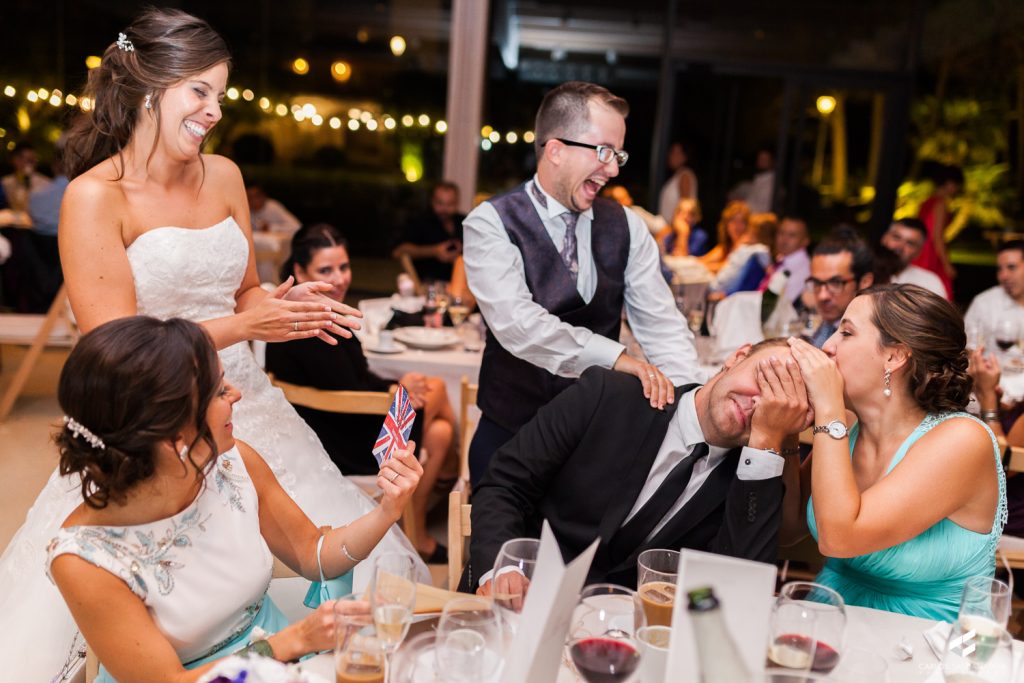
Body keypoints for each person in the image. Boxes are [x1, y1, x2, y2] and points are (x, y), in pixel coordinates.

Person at [2, 10, 426, 680]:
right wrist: (245, 329)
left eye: (220, 95)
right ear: (151, 89)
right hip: (154, 417)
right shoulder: (93, 197)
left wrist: (276, 306)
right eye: (200, 90)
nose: (214, 111)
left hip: (238, 404)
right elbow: (115, 346)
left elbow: (245, 291)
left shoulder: (222, 175)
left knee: (340, 554)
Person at [47, 316, 423, 682]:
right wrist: (294, 641)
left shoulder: (234, 461)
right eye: (219, 391)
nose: (236, 395)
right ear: (173, 437)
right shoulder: (84, 558)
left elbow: (313, 553)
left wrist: (388, 509)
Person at [462, 81, 700, 487]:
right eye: (604, 151)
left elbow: (663, 327)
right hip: (509, 439)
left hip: (594, 444)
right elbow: (518, 324)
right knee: (499, 551)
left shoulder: (628, 227)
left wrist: (693, 411)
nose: (614, 169)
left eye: (619, 154)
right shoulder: (490, 223)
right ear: (555, 150)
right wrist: (617, 358)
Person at [465, 339, 808, 592]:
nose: (756, 404)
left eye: (780, 405)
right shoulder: (609, 395)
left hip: (630, 643)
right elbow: (504, 485)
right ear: (737, 356)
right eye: (764, 380)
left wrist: (766, 440)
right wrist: (500, 570)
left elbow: (736, 593)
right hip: (522, 596)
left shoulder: (753, 482)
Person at [785, 284, 1006, 621]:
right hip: (833, 616)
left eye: (845, 333)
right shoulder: (847, 427)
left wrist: (828, 409)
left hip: (931, 640)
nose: (827, 347)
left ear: (895, 356)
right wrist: (784, 430)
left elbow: (839, 538)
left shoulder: (961, 440)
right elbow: (788, 531)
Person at [265, 223, 457, 562]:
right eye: (325, 270)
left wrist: (394, 387)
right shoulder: (308, 326)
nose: (339, 278)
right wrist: (395, 389)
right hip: (343, 436)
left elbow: (355, 378)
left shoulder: (319, 312)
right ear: (299, 271)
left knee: (439, 433)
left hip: (347, 418)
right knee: (437, 390)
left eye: (343, 267)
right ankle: (448, 479)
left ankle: (417, 528)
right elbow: (348, 391)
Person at [804, 227, 874, 348]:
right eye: (816, 282)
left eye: (835, 283)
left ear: (864, 282)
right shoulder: (826, 321)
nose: (822, 296)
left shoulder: (867, 342)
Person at [392, 180, 465, 283]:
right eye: (440, 203)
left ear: (457, 203)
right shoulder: (420, 222)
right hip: (426, 284)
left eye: (450, 204)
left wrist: (460, 256)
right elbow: (398, 252)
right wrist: (434, 251)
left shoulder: (464, 223)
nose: (444, 209)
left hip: (459, 285)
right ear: (432, 201)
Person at [27, 136, 69, 306]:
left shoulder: (36, 195)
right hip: (66, 258)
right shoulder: (81, 193)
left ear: (54, 166)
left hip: (40, 259)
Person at [964, 240, 1024, 350]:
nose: (1003, 276)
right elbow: (967, 348)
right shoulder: (984, 303)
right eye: (1000, 269)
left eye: (1011, 267)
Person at [915, 164, 962, 299]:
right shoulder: (940, 204)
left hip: (920, 251)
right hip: (931, 254)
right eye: (956, 185)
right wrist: (947, 265)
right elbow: (937, 236)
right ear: (949, 183)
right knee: (937, 293)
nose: (956, 190)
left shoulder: (926, 201)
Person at [879, 218, 946, 298]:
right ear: (884, 238)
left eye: (910, 243)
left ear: (919, 253)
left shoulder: (930, 283)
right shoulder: (864, 269)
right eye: (896, 238)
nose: (900, 247)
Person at [712, 212, 776, 294]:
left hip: (732, 297)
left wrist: (726, 295)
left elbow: (743, 286)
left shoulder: (757, 255)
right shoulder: (754, 253)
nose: (746, 233)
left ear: (757, 234)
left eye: (749, 230)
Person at [760, 216, 810, 304]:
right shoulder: (783, 259)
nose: (784, 239)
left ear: (805, 241)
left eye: (792, 235)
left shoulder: (802, 269)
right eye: (781, 233)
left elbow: (781, 304)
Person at [698, 200, 750, 275]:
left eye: (742, 221)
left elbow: (727, 268)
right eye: (733, 220)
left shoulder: (746, 247)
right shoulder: (726, 246)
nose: (737, 226)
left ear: (748, 225)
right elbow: (703, 260)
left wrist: (701, 266)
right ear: (726, 224)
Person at [2, 141, 51, 213]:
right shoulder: (5, 182)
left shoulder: (46, 183)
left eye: (32, 160)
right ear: (14, 160)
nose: (29, 164)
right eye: (26, 160)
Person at [657, 141, 698, 222]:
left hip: (673, 227)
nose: (671, 156)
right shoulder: (676, 175)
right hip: (665, 225)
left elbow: (685, 205)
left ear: (685, 156)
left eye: (676, 153)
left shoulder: (685, 174)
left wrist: (674, 229)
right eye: (671, 152)